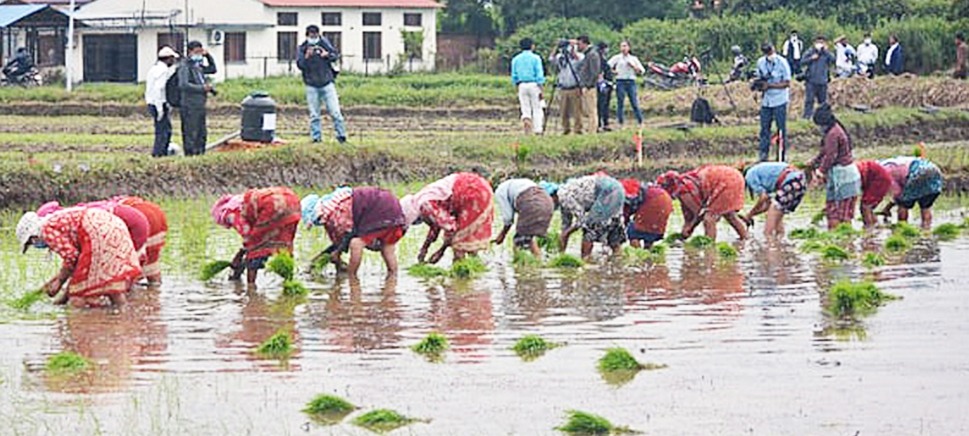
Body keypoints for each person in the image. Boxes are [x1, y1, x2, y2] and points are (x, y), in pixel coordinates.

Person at [17, 208, 141, 308]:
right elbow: (73, 263)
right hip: (114, 225)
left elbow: (72, 258)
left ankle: (81, 327)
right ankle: (123, 315)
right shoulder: (55, 220)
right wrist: (55, 288)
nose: (35, 246)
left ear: (33, 237)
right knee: (111, 283)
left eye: (31, 244)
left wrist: (60, 283)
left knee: (78, 295)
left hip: (96, 232)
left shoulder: (45, 230)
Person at [301, 187, 407, 278]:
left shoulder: (336, 211)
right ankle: (392, 279)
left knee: (356, 244)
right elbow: (342, 238)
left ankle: (352, 278)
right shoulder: (336, 204)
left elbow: (349, 233)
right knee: (387, 248)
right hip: (394, 209)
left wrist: (338, 252)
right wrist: (334, 252)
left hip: (379, 210)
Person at [211, 187, 301, 286]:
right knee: (285, 242)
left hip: (271, 205)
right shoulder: (242, 202)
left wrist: (238, 257)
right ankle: (289, 281)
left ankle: (251, 289)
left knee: (255, 248)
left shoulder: (231, 213)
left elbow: (248, 237)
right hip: (292, 201)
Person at [400, 172, 494, 264]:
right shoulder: (421, 199)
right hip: (478, 187)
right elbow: (436, 225)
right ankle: (477, 267)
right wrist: (424, 249)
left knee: (458, 244)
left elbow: (451, 228)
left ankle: (460, 275)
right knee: (467, 239)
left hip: (472, 192)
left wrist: (441, 251)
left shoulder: (425, 206)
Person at [657, 165, 749, 241]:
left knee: (709, 218)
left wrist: (689, 229)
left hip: (727, 181)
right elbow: (688, 214)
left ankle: (709, 247)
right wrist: (687, 227)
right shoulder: (683, 183)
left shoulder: (684, 191)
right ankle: (745, 239)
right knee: (729, 215)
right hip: (734, 176)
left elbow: (699, 213)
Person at [807, 103, 861, 230]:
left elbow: (831, 156)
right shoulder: (833, 130)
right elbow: (824, 152)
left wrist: (820, 171)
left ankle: (843, 239)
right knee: (832, 208)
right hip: (838, 174)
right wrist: (814, 161)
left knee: (842, 213)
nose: (819, 128)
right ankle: (835, 236)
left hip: (843, 175)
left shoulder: (833, 133)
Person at [554, 174, 625, 259]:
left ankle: (585, 261)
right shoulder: (564, 202)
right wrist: (561, 253)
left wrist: (567, 233)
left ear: (553, 196)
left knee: (589, 230)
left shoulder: (563, 196)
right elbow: (565, 226)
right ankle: (618, 260)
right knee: (613, 228)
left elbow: (581, 220)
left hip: (608, 191)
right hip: (619, 188)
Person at [297, 25, 346, 144]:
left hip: (327, 83)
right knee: (314, 114)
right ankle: (316, 138)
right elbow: (300, 65)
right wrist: (307, 57)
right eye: (311, 36)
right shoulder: (302, 48)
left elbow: (335, 56)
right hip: (311, 84)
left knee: (335, 112)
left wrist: (326, 55)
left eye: (315, 35)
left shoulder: (324, 44)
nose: (313, 38)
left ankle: (341, 136)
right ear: (307, 35)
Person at [741, 162, 807, 238]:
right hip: (800, 180)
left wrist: (749, 214)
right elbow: (767, 205)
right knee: (777, 216)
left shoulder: (749, 175)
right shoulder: (761, 174)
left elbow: (763, 198)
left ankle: (770, 245)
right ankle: (780, 245)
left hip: (791, 180)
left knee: (768, 232)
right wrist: (751, 215)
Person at [492, 178, 555, 257]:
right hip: (548, 203)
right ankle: (539, 261)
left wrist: (502, 234)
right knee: (527, 238)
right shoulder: (518, 183)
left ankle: (520, 264)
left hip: (532, 203)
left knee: (518, 240)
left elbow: (508, 218)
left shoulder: (500, 191)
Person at [877, 156, 944, 230]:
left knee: (903, 204)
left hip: (918, 172)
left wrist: (888, 207)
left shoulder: (883, 171)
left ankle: (902, 228)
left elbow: (897, 193)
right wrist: (888, 207)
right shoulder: (890, 162)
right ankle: (926, 232)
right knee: (926, 206)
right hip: (933, 170)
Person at [116, 196, 168, 285]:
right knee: (152, 260)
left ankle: (133, 293)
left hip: (138, 216)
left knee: (129, 267)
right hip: (156, 213)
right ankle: (155, 290)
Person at [178, 41, 217, 156]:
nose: (199, 54)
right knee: (191, 132)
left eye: (200, 52)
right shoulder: (185, 66)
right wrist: (202, 88)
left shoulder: (197, 66)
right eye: (197, 52)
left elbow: (212, 69)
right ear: (190, 52)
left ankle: (200, 153)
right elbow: (183, 85)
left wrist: (208, 56)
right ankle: (190, 154)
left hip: (200, 104)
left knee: (201, 132)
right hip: (189, 104)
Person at [754, 43, 792, 162]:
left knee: (781, 129)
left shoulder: (782, 62)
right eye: (767, 53)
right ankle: (763, 156)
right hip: (766, 101)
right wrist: (757, 85)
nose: (769, 55)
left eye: (770, 52)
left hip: (779, 99)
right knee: (764, 129)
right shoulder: (761, 62)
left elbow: (787, 83)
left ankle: (781, 156)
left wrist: (770, 85)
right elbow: (759, 78)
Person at [145, 47, 179, 157]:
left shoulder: (154, 69)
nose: (173, 61)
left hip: (152, 102)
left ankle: (160, 153)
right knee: (164, 131)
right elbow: (158, 90)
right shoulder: (162, 71)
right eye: (172, 59)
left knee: (162, 130)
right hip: (158, 103)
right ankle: (159, 153)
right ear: (168, 59)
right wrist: (160, 109)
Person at [621, 179, 672, 249]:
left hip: (654, 200)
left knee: (633, 232)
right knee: (650, 230)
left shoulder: (626, 191)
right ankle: (648, 252)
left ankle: (638, 253)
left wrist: (625, 221)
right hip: (666, 199)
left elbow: (628, 208)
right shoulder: (640, 186)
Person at [510, 37, 545, 135]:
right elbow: (539, 74)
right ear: (532, 46)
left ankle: (527, 126)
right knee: (537, 107)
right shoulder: (536, 58)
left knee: (525, 107)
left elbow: (514, 75)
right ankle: (538, 130)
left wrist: (517, 86)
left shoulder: (516, 59)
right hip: (534, 85)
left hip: (522, 85)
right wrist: (541, 89)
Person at [549, 40, 585, 134]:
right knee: (563, 111)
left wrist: (573, 49)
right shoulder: (560, 57)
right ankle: (566, 128)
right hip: (563, 87)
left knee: (577, 110)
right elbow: (551, 59)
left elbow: (579, 60)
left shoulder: (579, 56)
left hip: (574, 87)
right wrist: (556, 46)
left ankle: (578, 129)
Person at [608, 40, 646, 125]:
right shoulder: (617, 58)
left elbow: (642, 71)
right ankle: (620, 122)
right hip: (620, 80)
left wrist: (634, 67)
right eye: (622, 46)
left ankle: (640, 121)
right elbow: (607, 66)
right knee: (620, 102)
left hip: (631, 81)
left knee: (634, 102)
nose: (623, 48)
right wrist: (613, 71)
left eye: (625, 46)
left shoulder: (633, 58)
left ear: (629, 47)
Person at [801, 36, 835, 120]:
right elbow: (802, 61)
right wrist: (811, 58)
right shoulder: (810, 51)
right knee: (809, 100)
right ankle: (807, 116)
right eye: (818, 42)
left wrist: (826, 51)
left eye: (822, 42)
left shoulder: (826, 54)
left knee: (823, 101)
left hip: (823, 81)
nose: (820, 44)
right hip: (811, 81)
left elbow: (833, 60)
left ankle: (823, 117)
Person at [855, 160, 893, 228]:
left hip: (879, 180)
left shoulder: (854, 171)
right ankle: (875, 226)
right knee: (867, 207)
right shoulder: (854, 168)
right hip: (877, 178)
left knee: (865, 206)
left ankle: (869, 229)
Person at [576, 35, 601, 135]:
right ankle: (590, 129)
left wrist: (588, 85)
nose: (578, 46)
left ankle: (592, 131)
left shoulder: (592, 54)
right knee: (587, 110)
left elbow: (595, 72)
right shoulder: (588, 54)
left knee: (591, 110)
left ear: (585, 43)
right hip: (586, 86)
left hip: (590, 87)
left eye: (579, 44)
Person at [596, 42, 614, 132]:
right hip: (602, 84)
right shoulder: (598, 58)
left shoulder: (603, 58)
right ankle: (599, 124)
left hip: (608, 83)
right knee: (601, 105)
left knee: (606, 104)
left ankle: (605, 123)